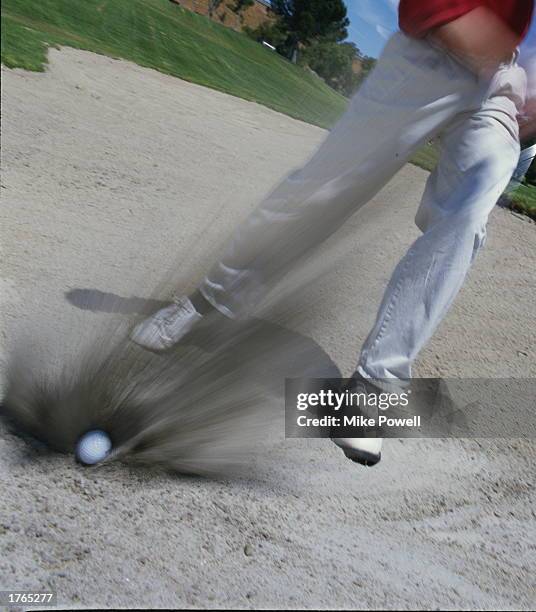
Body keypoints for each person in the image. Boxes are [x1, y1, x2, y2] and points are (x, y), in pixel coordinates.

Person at [132, 1, 535, 467]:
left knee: (466, 219)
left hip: (508, 85)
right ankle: (208, 303)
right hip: (437, 47)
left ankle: (375, 389)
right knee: (327, 186)